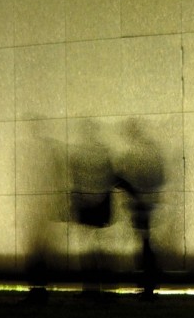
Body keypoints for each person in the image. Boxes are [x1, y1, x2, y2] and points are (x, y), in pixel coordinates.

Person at [113, 117, 166, 300]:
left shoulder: (135, 154)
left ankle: (148, 283)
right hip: (147, 202)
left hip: (140, 203)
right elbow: (160, 176)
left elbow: (125, 177)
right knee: (146, 241)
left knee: (144, 243)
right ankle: (149, 283)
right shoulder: (150, 151)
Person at [69, 118, 117, 297]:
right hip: (101, 206)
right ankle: (107, 287)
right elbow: (110, 178)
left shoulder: (78, 153)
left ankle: (90, 288)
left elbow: (75, 180)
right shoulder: (104, 152)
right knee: (102, 249)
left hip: (85, 206)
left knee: (86, 250)